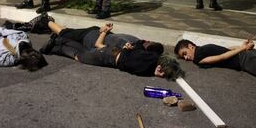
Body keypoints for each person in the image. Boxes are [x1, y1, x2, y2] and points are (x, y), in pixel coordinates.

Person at [39, 21, 184, 80]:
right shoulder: (147, 66)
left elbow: (137, 53)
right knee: (80, 56)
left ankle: (56, 42)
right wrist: (155, 72)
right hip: (108, 55)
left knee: (83, 49)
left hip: (111, 50)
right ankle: (56, 43)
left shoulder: (146, 52)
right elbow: (134, 68)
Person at [174, 39, 256, 85]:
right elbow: (226, 49)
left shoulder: (198, 58)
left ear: (190, 46)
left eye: (184, 53)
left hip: (246, 60)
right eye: (183, 57)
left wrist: (242, 48)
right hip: (252, 53)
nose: (186, 58)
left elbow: (221, 57)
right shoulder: (205, 47)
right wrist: (242, 46)